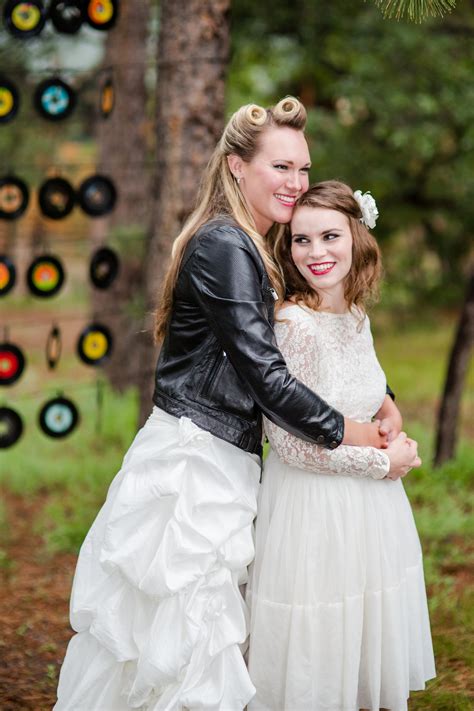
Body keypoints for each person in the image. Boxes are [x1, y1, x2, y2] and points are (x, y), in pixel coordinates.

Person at [54, 100, 419, 710]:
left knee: (198, 637)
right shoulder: (226, 246)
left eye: (302, 168)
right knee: (178, 640)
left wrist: (382, 396)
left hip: (225, 456)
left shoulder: (258, 243)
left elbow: (314, 332)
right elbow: (270, 377)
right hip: (193, 465)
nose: (296, 184)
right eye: (281, 167)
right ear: (236, 168)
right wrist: (359, 435)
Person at [247, 181, 435, 711]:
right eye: (301, 240)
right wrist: (383, 461)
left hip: (367, 509)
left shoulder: (354, 314)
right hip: (314, 508)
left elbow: (364, 391)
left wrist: (389, 413)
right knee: (319, 639)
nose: (316, 253)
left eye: (329, 236)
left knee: (361, 635)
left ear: (356, 236)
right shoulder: (294, 326)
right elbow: (291, 445)